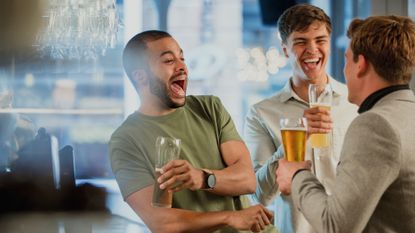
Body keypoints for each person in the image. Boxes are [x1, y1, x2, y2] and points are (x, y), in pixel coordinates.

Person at [109, 30, 277, 233]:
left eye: (182, 58)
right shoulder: (125, 141)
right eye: (169, 60)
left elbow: (248, 180)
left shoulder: (210, 108)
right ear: (140, 76)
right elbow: (161, 222)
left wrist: (202, 178)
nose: (182, 67)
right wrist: (230, 218)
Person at [276, 15, 415, 232]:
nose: (343, 70)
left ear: (360, 64)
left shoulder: (375, 125)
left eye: (347, 59)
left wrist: (296, 175)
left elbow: (336, 225)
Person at [243, 4, 357, 233]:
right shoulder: (261, 113)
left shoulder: (355, 102)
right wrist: (295, 139)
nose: (312, 49)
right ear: (285, 49)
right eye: (301, 42)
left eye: (320, 40)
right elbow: (259, 194)